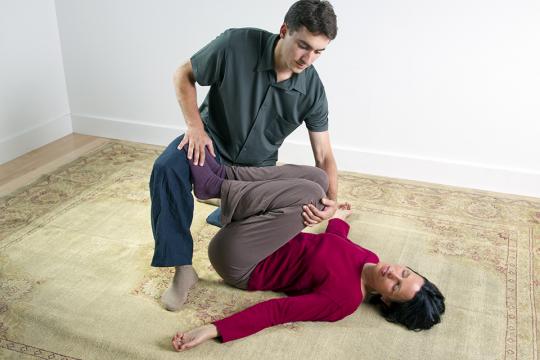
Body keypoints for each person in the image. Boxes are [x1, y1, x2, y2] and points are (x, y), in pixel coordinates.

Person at [150, 0, 340, 312]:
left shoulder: (313, 90)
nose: (308, 59)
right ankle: (183, 269)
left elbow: (324, 155)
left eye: (319, 51)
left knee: (316, 188)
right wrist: (194, 126)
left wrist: (331, 202)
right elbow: (183, 73)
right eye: (303, 46)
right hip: (208, 147)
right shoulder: (236, 43)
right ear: (283, 32)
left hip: (255, 170)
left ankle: (222, 203)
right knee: (166, 167)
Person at [170, 148, 446, 351]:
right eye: (405, 273)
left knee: (309, 196)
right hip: (261, 235)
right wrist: (338, 218)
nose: (394, 274)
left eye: (396, 286)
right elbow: (336, 245)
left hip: (241, 261)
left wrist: (213, 329)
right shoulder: (370, 259)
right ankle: (222, 174)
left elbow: (278, 311)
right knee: (318, 179)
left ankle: (215, 187)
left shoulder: (344, 302)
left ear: (386, 301)